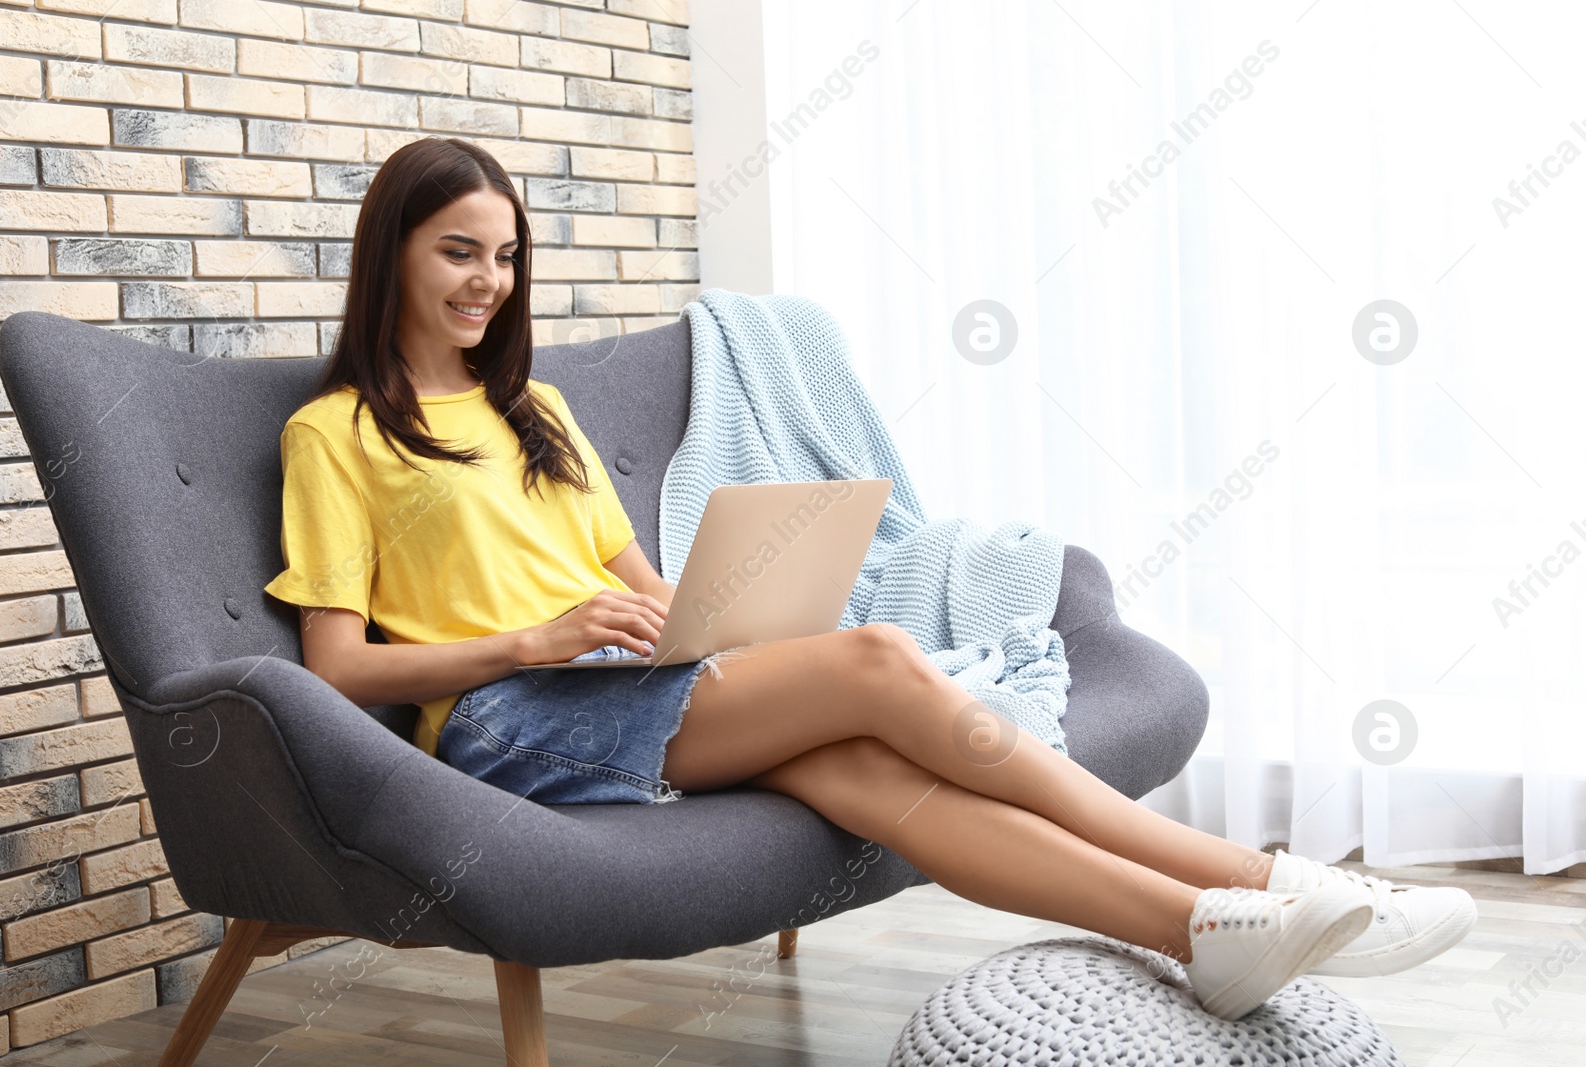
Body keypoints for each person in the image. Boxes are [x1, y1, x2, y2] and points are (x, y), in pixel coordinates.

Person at [262, 137, 1476, 1021]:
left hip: (622, 692)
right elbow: (338, 667)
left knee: (866, 771)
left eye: (507, 256)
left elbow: (637, 582)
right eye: (458, 253)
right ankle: (1265, 878)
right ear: (394, 256)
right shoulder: (335, 435)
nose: (487, 281)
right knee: (882, 657)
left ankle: (1195, 929)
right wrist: (528, 641)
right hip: (500, 719)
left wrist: (706, 621)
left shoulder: (540, 412)